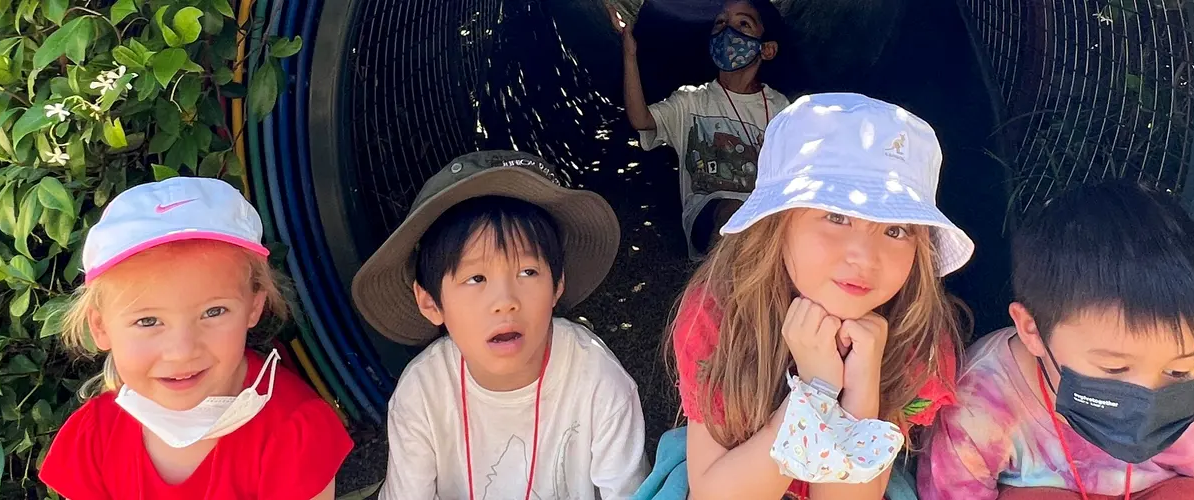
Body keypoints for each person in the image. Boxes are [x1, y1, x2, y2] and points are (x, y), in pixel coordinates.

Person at [666, 93, 972, 499]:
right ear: (775, 225)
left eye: (896, 230)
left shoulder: (918, 340)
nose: (864, 256)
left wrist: (862, 387)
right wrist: (817, 389)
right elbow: (716, 494)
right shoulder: (718, 313)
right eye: (835, 216)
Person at [917, 181, 1194, 500]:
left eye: (1178, 371)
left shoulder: (1188, 418)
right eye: (1114, 367)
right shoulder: (980, 406)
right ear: (1032, 329)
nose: (1148, 397)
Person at [354, 151, 649, 499]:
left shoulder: (598, 382)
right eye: (476, 278)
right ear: (431, 302)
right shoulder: (423, 393)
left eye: (528, 272)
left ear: (557, 285)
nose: (506, 300)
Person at [41, 177, 351, 499]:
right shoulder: (92, 440)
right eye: (148, 321)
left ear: (253, 307)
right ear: (101, 327)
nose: (182, 351)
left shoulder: (294, 432)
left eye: (213, 312)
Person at [612, 0, 793, 259]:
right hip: (708, 215)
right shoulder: (690, 102)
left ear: (767, 49)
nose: (728, 31)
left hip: (762, 216)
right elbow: (642, 120)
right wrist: (629, 53)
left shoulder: (780, 108)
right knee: (731, 212)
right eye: (720, 22)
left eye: (743, 23)